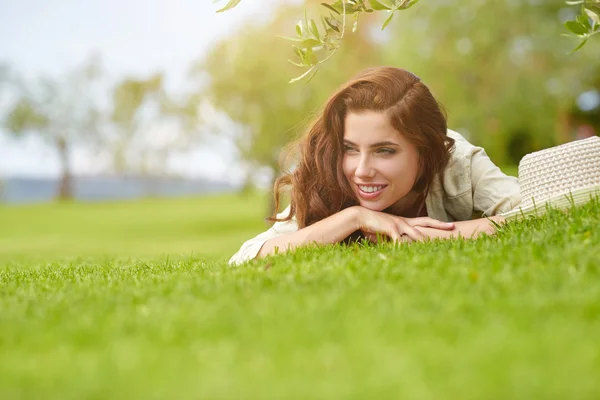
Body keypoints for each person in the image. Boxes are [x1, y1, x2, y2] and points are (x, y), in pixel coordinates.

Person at [229, 66, 521, 265]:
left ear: (425, 152)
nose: (362, 170)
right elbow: (245, 258)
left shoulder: (457, 160)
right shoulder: (329, 170)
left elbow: (542, 209)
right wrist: (353, 218)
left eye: (384, 151)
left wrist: (415, 235)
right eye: (351, 149)